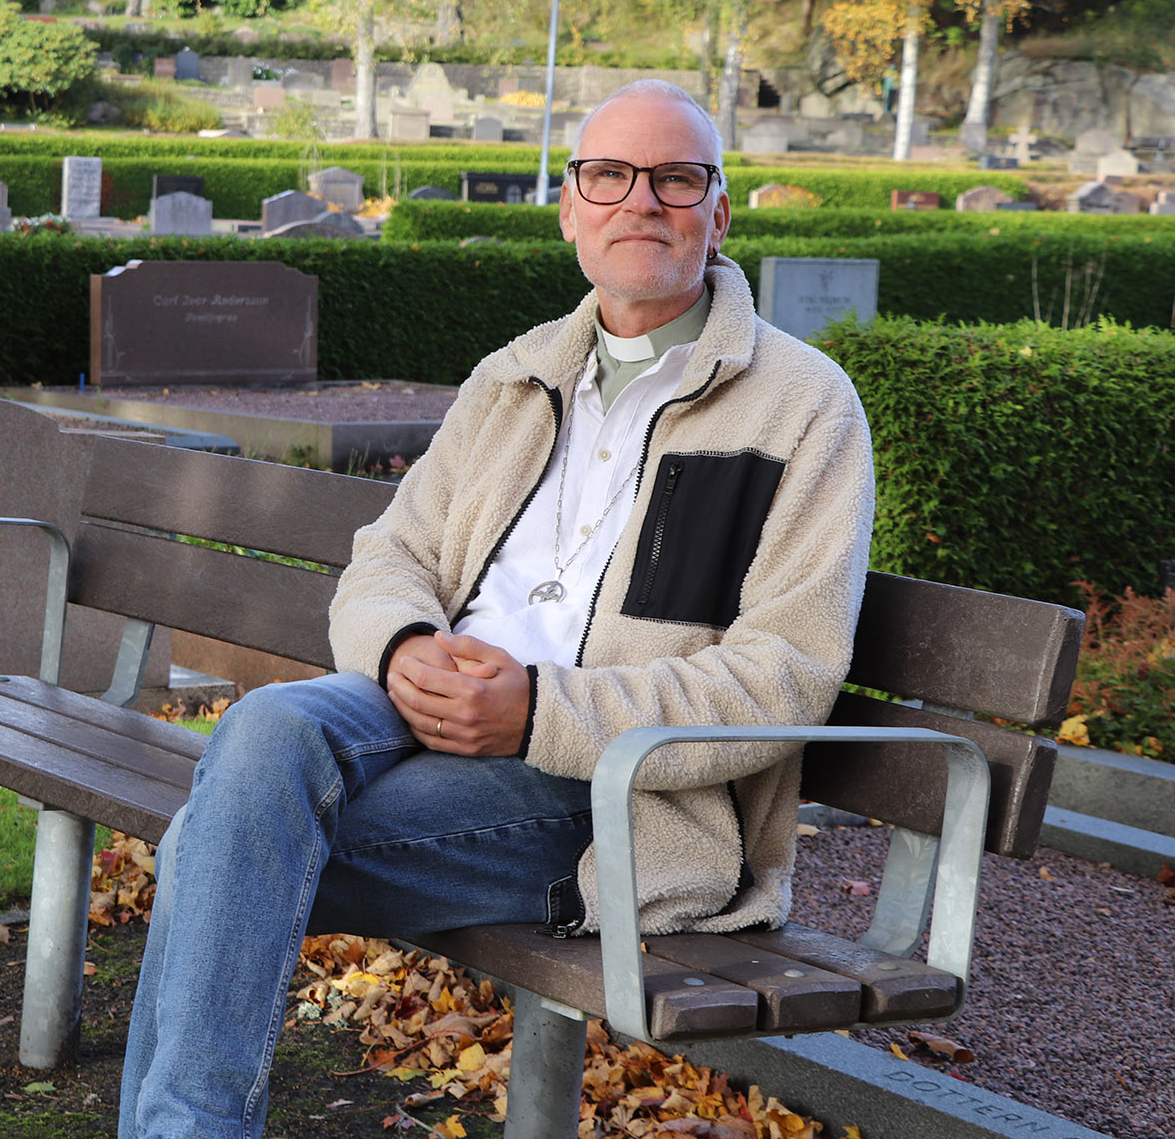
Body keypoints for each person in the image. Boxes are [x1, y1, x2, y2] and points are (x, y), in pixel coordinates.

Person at [117, 80, 875, 1139]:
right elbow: (392, 554)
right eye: (608, 175)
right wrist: (405, 647)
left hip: (605, 792)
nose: (639, 201)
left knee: (219, 838)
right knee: (267, 726)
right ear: (571, 208)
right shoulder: (516, 376)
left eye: (675, 178)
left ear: (718, 210)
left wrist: (535, 713)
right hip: (426, 708)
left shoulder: (802, 405)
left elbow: (783, 674)